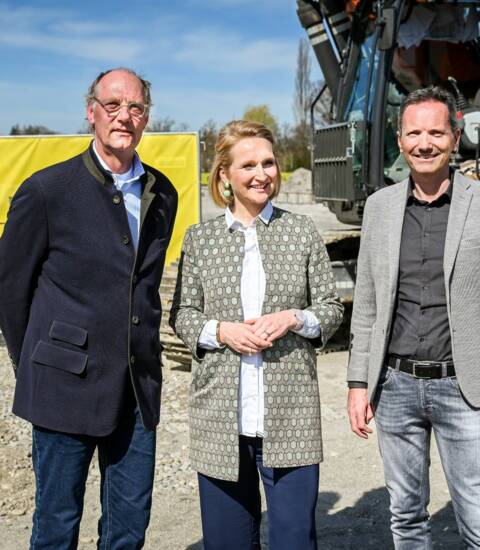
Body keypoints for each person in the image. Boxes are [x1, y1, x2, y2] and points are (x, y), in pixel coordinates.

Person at [0, 68, 178, 549]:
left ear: (146, 117)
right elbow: (11, 290)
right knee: (57, 526)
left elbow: (143, 286)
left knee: (129, 527)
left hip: (135, 389)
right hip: (63, 387)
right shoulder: (47, 190)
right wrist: (37, 358)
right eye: (113, 105)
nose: (124, 116)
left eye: (136, 107)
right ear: (91, 112)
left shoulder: (163, 193)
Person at [170, 120, 343, 550]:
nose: (262, 174)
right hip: (220, 420)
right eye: (248, 165)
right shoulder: (201, 239)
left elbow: (331, 308)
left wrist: (293, 319)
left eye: (268, 163)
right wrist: (220, 331)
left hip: (291, 416)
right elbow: (182, 315)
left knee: (294, 541)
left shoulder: (301, 231)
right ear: (224, 175)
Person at [347, 86, 480, 548]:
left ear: (455, 138)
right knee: (405, 516)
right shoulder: (380, 208)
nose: (425, 144)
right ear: (400, 140)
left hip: (464, 387)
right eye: (414, 133)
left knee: (477, 516)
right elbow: (367, 301)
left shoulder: (478, 203)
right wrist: (358, 384)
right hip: (396, 387)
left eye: (436, 133)